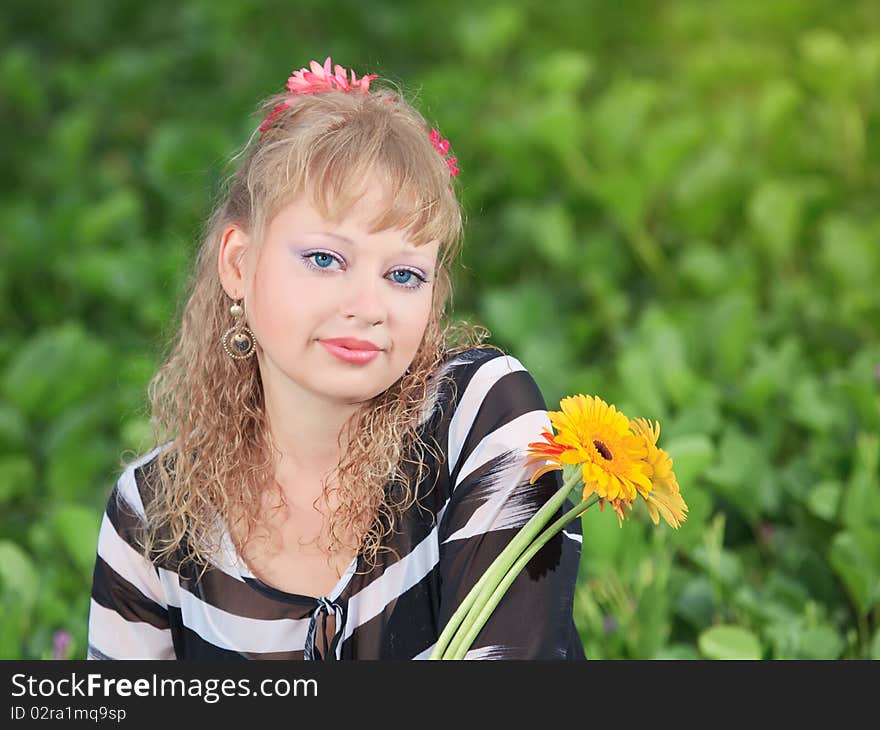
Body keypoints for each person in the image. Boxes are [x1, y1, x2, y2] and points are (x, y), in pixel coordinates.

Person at [87, 57, 586, 660]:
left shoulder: (481, 419)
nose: (368, 306)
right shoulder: (151, 516)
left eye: (404, 274)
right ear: (238, 264)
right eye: (326, 259)